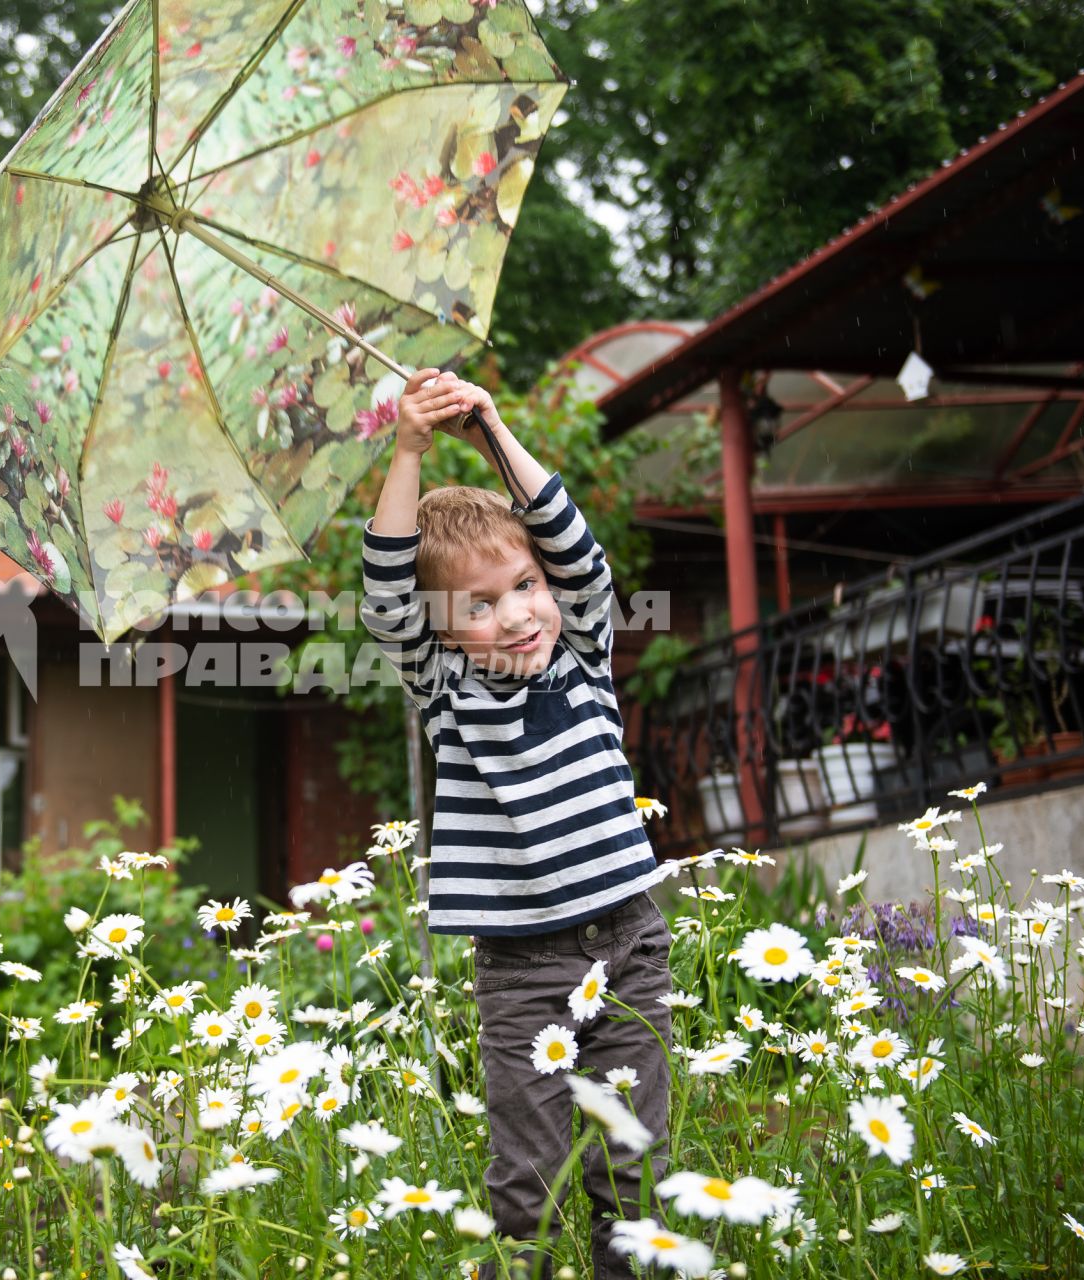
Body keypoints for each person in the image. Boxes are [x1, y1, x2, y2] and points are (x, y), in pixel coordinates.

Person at [359, 366, 674, 1280]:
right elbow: (384, 594)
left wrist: (492, 429)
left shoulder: (582, 651)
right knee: (528, 1177)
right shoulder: (446, 690)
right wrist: (408, 446)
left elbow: (574, 546)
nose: (515, 616)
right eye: (479, 605)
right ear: (443, 629)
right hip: (517, 967)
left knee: (632, 1164)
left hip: (627, 943)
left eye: (524, 586)